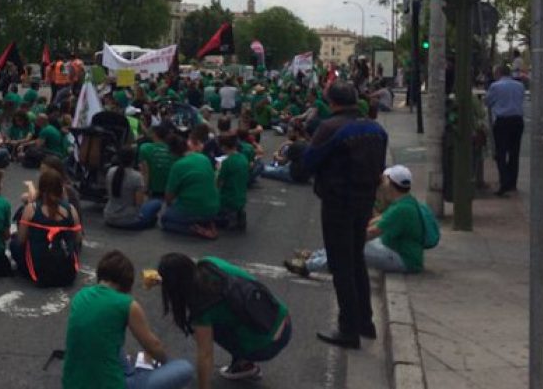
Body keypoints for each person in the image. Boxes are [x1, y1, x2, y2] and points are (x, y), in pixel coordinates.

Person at [302, 81, 387, 349]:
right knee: (356, 259)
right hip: (365, 200)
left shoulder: (330, 128)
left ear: (332, 103)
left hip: (338, 201)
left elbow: (308, 162)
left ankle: (348, 328)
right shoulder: (376, 129)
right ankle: (365, 321)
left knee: (342, 266)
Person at [62, 250, 194, 389]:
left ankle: (137, 371)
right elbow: (153, 346)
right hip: (111, 385)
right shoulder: (126, 303)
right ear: (126, 283)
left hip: (72, 383)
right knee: (184, 368)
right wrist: (165, 363)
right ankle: (142, 372)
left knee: (105, 339)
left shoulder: (81, 296)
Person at [157, 253, 291, 385]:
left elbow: (205, 355)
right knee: (230, 313)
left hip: (266, 347)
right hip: (281, 318)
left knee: (204, 330)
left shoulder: (201, 308)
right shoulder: (210, 263)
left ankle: (243, 364)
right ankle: (243, 360)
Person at [286, 165, 426, 277]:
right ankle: (316, 256)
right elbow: (377, 221)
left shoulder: (401, 209)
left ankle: (308, 266)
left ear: (390, 182)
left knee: (353, 249)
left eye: (384, 179)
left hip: (404, 259)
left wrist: (348, 238)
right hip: (395, 249)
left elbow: (371, 232)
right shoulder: (405, 202)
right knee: (350, 242)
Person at [10, 170, 81, 287]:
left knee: (14, 243)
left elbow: (21, 239)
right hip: (67, 272)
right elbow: (77, 239)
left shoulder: (31, 209)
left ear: (41, 188)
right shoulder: (71, 209)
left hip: (38, 270)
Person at [161, 131, 220, 239]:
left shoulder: (178, 166)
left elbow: (169, 197)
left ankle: (197, 230)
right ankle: (206, 224)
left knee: (165, 219)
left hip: (192, 209)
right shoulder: (203, 158)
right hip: (214, 208)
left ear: (173, 152)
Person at [485, 63, 526, 196]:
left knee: (501, 153)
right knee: (514, 152)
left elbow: (488, 102)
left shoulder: (495, 86)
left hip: (503, 121)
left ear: (498, 73)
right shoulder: (520, 86)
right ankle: (512, 182)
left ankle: (504, 182)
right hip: (517, 120)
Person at [105, 146, 163, 230]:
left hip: (109, 216)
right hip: (129, 220)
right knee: (156, 203)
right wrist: (144, 177)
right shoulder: (136, 177)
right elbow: (139, 203)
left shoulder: (110, 171)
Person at [215, 134, 249, 231]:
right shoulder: (243, 158)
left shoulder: (227, 163)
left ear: (224, 147)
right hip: (241, 198)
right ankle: (238, 214)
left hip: (228, 200)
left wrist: (218, 170)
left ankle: (229, 218)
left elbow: (218, 184)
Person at [138, 122, 176, 198]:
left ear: (154, 134)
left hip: (153, 191)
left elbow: (145, 172)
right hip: (171, 191)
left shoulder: (145, 148)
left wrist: (144, 190)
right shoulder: (173, 150)